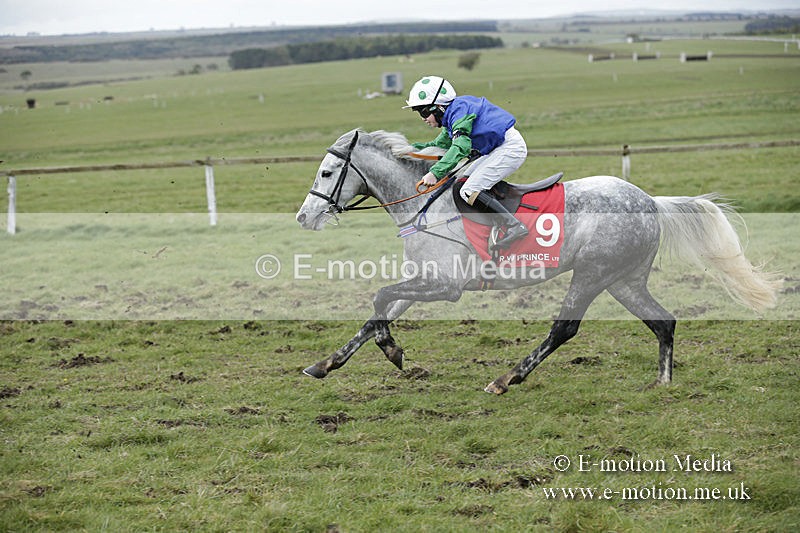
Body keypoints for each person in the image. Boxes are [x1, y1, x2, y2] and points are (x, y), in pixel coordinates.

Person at [404, 75, 529, 250]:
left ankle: (514, 226)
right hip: (497, 149)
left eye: (424, 112)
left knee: (469, 190)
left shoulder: (459, 113)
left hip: (509, 148)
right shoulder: (452, 115)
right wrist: (406, 150)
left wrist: (435, 173)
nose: (423, 118)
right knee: (462, 182)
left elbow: (460, 146)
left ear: (439, 107)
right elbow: (438, 145)